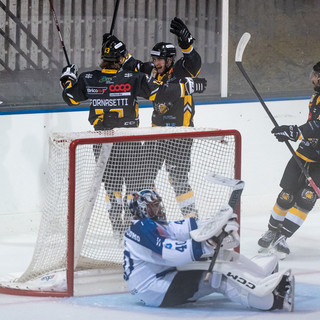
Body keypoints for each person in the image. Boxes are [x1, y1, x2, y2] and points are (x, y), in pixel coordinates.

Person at [60, 34, 207, 237]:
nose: (155, 63)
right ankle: (134, 228)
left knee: (112, 188)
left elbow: (70, 97)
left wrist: (68, 78)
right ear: (120, 59)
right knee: (136, 185)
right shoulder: (133, 79)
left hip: (101, 142)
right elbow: (160, 92)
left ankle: (118, 231)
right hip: (129, 141)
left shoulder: (88, 78)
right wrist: (187, 87)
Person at [123, 189, 295, 311]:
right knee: (216, 277)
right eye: (153, 206)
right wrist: (209, 242)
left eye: (158, 205)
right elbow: (173, 255)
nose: (158, 209)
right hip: (156, 289)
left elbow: (187, 227)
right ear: (142, 209)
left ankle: (260, 277)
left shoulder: (150, 224)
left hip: (162, 279)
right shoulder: (143, 229)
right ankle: (273, 301)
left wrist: (219, 220)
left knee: (222, 256)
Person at [123, 17, 203, 218]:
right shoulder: (151, 71)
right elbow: (132, 64)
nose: (155, 62)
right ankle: (156, 216)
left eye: (159, 59)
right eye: (154, 58)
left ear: (169, 60)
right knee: (143, 176)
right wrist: (116, 49)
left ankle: (191, 218)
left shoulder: (182, 70)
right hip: (156, 134)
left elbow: (194, 61)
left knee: (178, 179)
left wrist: (187, 46)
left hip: (180, 135)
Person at [258, 61, 320, 257]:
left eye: (316, 75)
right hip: (303, 155)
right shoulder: (316, 96)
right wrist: (295, 133)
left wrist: (295, 132)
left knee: (306, 199)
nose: (313, 79)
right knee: (287, 195)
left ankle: (282, 237)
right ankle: (272, 230)